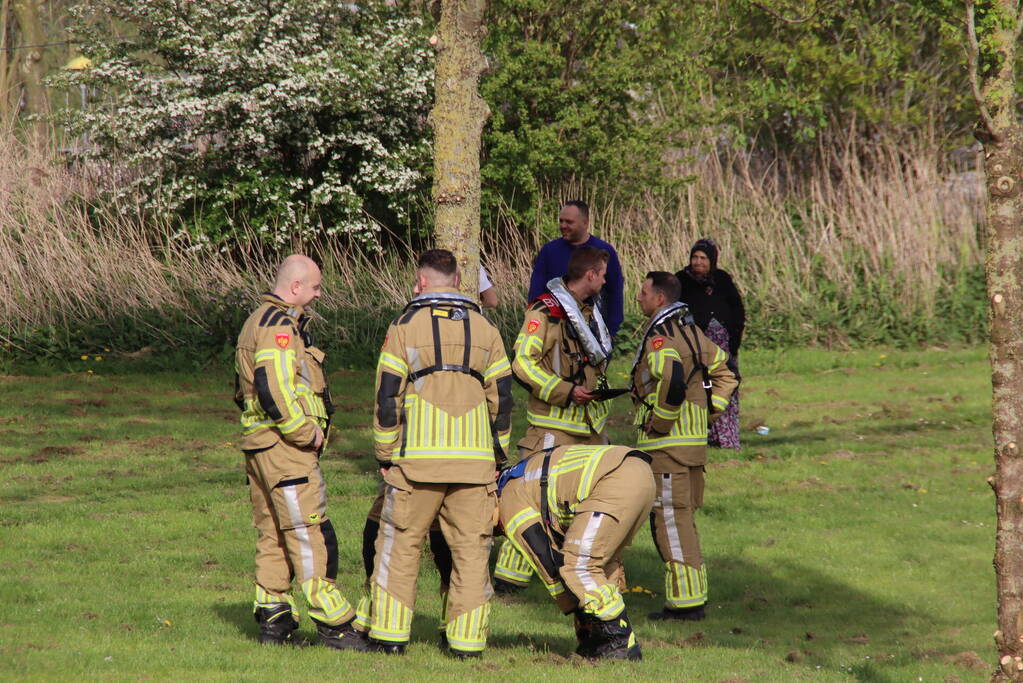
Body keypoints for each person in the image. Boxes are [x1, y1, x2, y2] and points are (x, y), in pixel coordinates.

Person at [348, 249, 513, 658]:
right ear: (458, 280)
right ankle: (466, 644)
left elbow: (388, 395)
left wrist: (385, 454)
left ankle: (389, 638)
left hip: (416, 463)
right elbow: (503, 400)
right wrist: (499, 457)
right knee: (471, 552)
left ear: (420, 282)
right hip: (475, 465)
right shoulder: (486, 328)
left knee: (400, 544)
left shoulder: (404, 326)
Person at [233, 254, 363, 648]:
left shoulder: (258, 319)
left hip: (261, 447)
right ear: (295, 287)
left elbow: (242, 392)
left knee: (273, 534)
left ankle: (274, 621)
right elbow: (274, 387)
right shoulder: (279, 327)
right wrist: (307, 434)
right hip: (285, 449)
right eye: (315, 287)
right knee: (310, 534)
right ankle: (336, 626)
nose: (319, 293)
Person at [492, 246, 614, 593]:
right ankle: (508, 582)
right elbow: (522, 363)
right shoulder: (544, 311)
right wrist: (564, 390)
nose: (606, 280)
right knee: (529, 500)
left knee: (585, 503)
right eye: (602, 274)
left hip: (590, 429)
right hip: (553, 429)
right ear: (590, 274)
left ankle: (576, 571)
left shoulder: (590, 313)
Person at [631, 271, 738, 620]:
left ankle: (686, 605)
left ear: (659, 299)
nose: (638, 297)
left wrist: (659, 422)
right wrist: (710, 412)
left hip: (669, 448)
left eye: (643, 292)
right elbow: (727, 374)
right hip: (692, 446)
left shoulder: (661, 337)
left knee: (671, 525)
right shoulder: (693, 332)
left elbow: (673, 382)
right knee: (684, 522)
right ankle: (693, 595)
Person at [496, 444, 655, 660]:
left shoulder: (507, 498)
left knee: (579, 565)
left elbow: (544, 558)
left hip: (614, 478)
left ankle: (618, 641)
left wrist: (572, 604)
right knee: (599, 562)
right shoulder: (521, 475)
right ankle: (599, 639)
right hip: (639, 472)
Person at [674, 238, 745, 449]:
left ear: (712, 260)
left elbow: (737, 310)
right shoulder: (681, 280)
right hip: (694, 345)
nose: (698, 262)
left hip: (724, 346)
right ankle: (696, 434)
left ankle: (725, 437)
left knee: (725, 386)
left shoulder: (722, 279)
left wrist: (734, 342)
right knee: (698, 386)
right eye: (694, 257)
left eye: (703, 258)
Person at [527, 200, 625, 336]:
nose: (563, 226)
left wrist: (612, 330)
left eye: (569, 222)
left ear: (585, 223)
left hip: (594, 330)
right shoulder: (549, 251)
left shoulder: (604, 250)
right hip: (555, 327)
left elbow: (615, 291)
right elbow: (536, 290)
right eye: (561, 221)